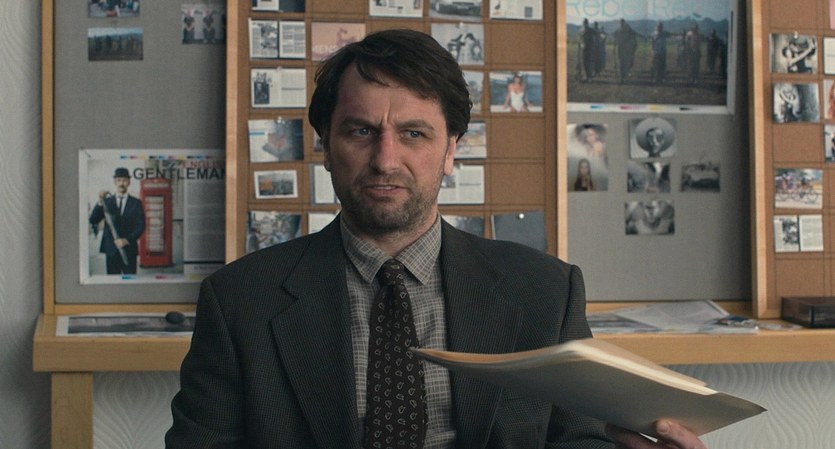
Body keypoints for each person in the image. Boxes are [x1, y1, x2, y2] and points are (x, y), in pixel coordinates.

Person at [166, 29, 707, 449]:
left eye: (413, 134)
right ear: (326, 146)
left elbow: (579, 441)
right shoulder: (240, 302)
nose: (386, 159)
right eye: (361, 131)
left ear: (451, 151)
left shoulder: (545, 292)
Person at [88, 167, 145, 275]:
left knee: (129, 280)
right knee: (112, 280)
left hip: (129, 250)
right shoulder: (106, 202)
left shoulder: (136, 203)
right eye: (119, 180)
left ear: (129, 182)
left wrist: (126, 240)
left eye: (124, 180)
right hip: (111, 250)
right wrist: (100, 201)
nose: (121, 183)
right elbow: (93, 219)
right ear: (115, 182)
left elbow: (141, 226)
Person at [613, 18, 638, 84]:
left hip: (627, 50)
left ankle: (624, 77)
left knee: (626, 64)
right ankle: (621, 78)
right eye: (620, 23)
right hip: (620, 50)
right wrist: (614, 48)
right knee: (620, 64)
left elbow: (634, 37)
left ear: (624, 23)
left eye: (622, 22)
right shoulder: (618, 31)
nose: (621, 24)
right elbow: (615, 40)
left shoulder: (629, 30)